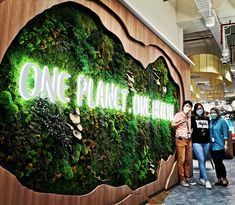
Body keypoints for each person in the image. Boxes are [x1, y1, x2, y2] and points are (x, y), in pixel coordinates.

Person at [171, 100, 196, 187]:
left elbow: (191, 127)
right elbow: (172, 124)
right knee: (182, 160)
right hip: (181, 139)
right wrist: (180, 122)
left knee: (188, 159)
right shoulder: (179, 115)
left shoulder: (189, 117)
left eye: (189, 106)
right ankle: (182, 179)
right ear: (183, 107)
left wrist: (190, 133)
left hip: (188, 139)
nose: (188, 107)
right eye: (186, 106)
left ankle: (187, 177)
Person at [191, 103, 212, 189]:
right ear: (195, 110)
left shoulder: (207, 118)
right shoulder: (192, 118)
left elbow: (209, 130)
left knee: (202, 161)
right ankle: (206, 180)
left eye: (201, 108)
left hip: (206, 142)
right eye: (198, 108)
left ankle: (201, 179)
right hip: (197, 142)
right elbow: (189, 128)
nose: (200, 109)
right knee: (201, 159)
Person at [209, 107, 229, 186]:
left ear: (217, 113)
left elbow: (225, 134)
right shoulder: (211, 122)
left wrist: (226, 144)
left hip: (219, 145)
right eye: (211, 113)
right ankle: (218, 178)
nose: (213, 114)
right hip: (212, 146)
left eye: (214, 112)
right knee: (216, 163)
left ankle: (224, 178)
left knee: (219, 162)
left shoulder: (222, 121)